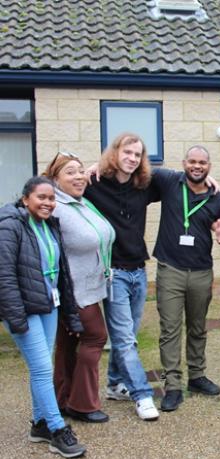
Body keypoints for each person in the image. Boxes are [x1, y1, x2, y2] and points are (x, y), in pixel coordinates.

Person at [0, 176, 86, 458]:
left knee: (42, 366)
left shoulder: (50, 225)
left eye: (51, 199)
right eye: (41, 197)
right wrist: (16, 318)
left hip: (49, 305)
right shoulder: (10, 226)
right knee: (41, 370)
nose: (48, 203)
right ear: (25, 199)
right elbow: (4, 276)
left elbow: (61, 274)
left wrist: (70, 314)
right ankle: (58, 429)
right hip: (23, 310)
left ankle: (39, 424)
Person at [84, 132, 161, 421]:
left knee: (126, 336)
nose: (132, 158)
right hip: (113, 273)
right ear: (114, 153)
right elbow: (58, 182)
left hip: (139, 271)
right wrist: (89, 167)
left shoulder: (143, 186)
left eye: (138, 154)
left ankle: (115, 383)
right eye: (127, 152)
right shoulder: (94, 183)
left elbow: (176, 178)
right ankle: (142, 395)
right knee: (126, 338)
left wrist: (210, 180)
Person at [153, 146, 220, 412]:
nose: (197, 166)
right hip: (170, 269)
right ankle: (172, 386)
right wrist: (98, 168)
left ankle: (197, 377)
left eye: (202, 163)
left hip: (201, 271)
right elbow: (138, 170)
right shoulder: (169, 181)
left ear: (209, 166)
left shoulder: (217, 198)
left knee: (198, 327)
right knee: (170, 330)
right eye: (192, 161)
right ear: (184, 162)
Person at [43, 153, 115, 423]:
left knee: (67, 342)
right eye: (70, 172)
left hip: (89, 286)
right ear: (55, 179)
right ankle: (83, 404)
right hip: (73, 290)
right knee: (95, 336)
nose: (78, 177)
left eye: (80, 171)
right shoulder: (56, 208)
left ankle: (62, 399)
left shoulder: (80, 203)